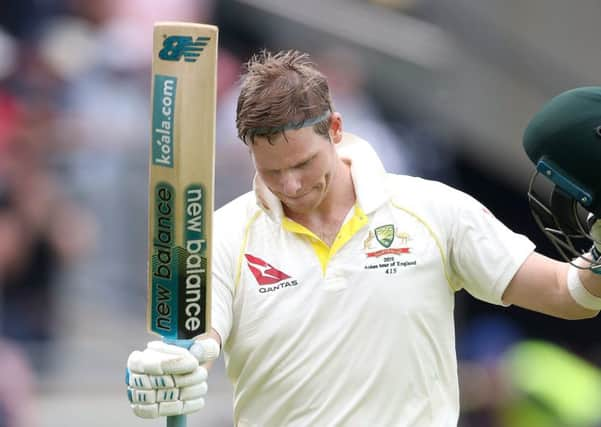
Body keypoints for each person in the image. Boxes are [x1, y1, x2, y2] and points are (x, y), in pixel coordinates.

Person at [126, 51, 601, 426]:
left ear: (334, 129)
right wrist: (171, 370)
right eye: (271, 171)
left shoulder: (434, 209)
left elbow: (568, 294)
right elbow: (197, 341)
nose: (290, 185)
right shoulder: (222, 235)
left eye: (302, 164)